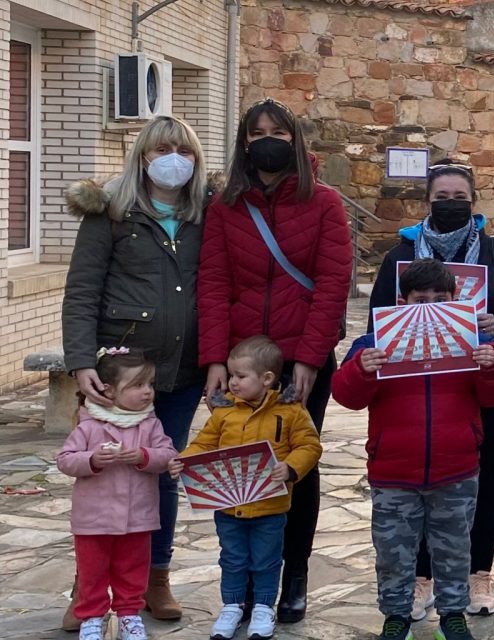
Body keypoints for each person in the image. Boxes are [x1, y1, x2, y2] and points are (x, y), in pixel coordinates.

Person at [198, 98, 352, 622]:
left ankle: (295, 574)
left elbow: (333, 284)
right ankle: (243, 583)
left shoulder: (325, 203)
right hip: (242, 361)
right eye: (257, 131)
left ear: (296, 140)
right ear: (244, 143)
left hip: (299, 361)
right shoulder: (226, 205)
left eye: (278, 131)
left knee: (295, 469)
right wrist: (215, 358)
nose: (267, 139)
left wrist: (309, 359)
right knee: (237, 467)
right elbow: (214, 282)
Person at [367, 160, 494, 620]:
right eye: (442, 197)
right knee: (422, 484)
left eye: (460, 197)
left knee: (482, 478)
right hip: (414, 388)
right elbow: (378, 319)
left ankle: (477, 574)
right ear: (428, 201)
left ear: (473, 201)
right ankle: (423, 580)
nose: (451, 204)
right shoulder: (399, 254)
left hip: (477, 384)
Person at [60, 115, 209, 629]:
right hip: (117, 373)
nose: (173, 159)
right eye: (162, 148)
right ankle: (88, 588)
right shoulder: (111, 213)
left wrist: (215, 361)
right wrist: (81, 361)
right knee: (100, 470)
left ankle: (154, 577)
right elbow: (81, 290)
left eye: (183, 149)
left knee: (159, 472)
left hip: (183, 371)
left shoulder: (204, 214)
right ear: (142, 155)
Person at [334, 259, 494, 640]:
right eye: (420, 299)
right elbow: (346, 395)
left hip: (456, 470)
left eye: (441, 298)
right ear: (402, 301)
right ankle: (396, 616)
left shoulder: (475, 344)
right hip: (393, 473)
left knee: (454, 550)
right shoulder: (373, 345)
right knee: (393, 553)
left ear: (456, 300)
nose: (430, 305)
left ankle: (453, 614)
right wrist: (361, 370)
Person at [168, 336, 322, 640]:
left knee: (267, 559)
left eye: (240, 376)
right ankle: (232, 605)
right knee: (232, 557)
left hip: (271, 506)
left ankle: (264, 607)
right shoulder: (224, 413)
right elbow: (203, 443)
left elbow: (310, 445)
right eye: (232, 375)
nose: (233, 383)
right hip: (229, 506)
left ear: (266, 379)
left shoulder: (290, 412)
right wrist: (184, 459)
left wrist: (291, 467)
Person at [57, 349, 178, 640]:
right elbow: (65, 460)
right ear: (108, 391)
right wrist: (92, 460)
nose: (147, 392)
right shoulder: (89, 425)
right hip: (93, 520)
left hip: (137, 518)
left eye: (149, 384)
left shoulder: (150, 425)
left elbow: (168, 455)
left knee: (133, 570)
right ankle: (92, 617)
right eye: (137, 385)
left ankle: (129, 615)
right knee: (92, 572)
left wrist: (144, 455)